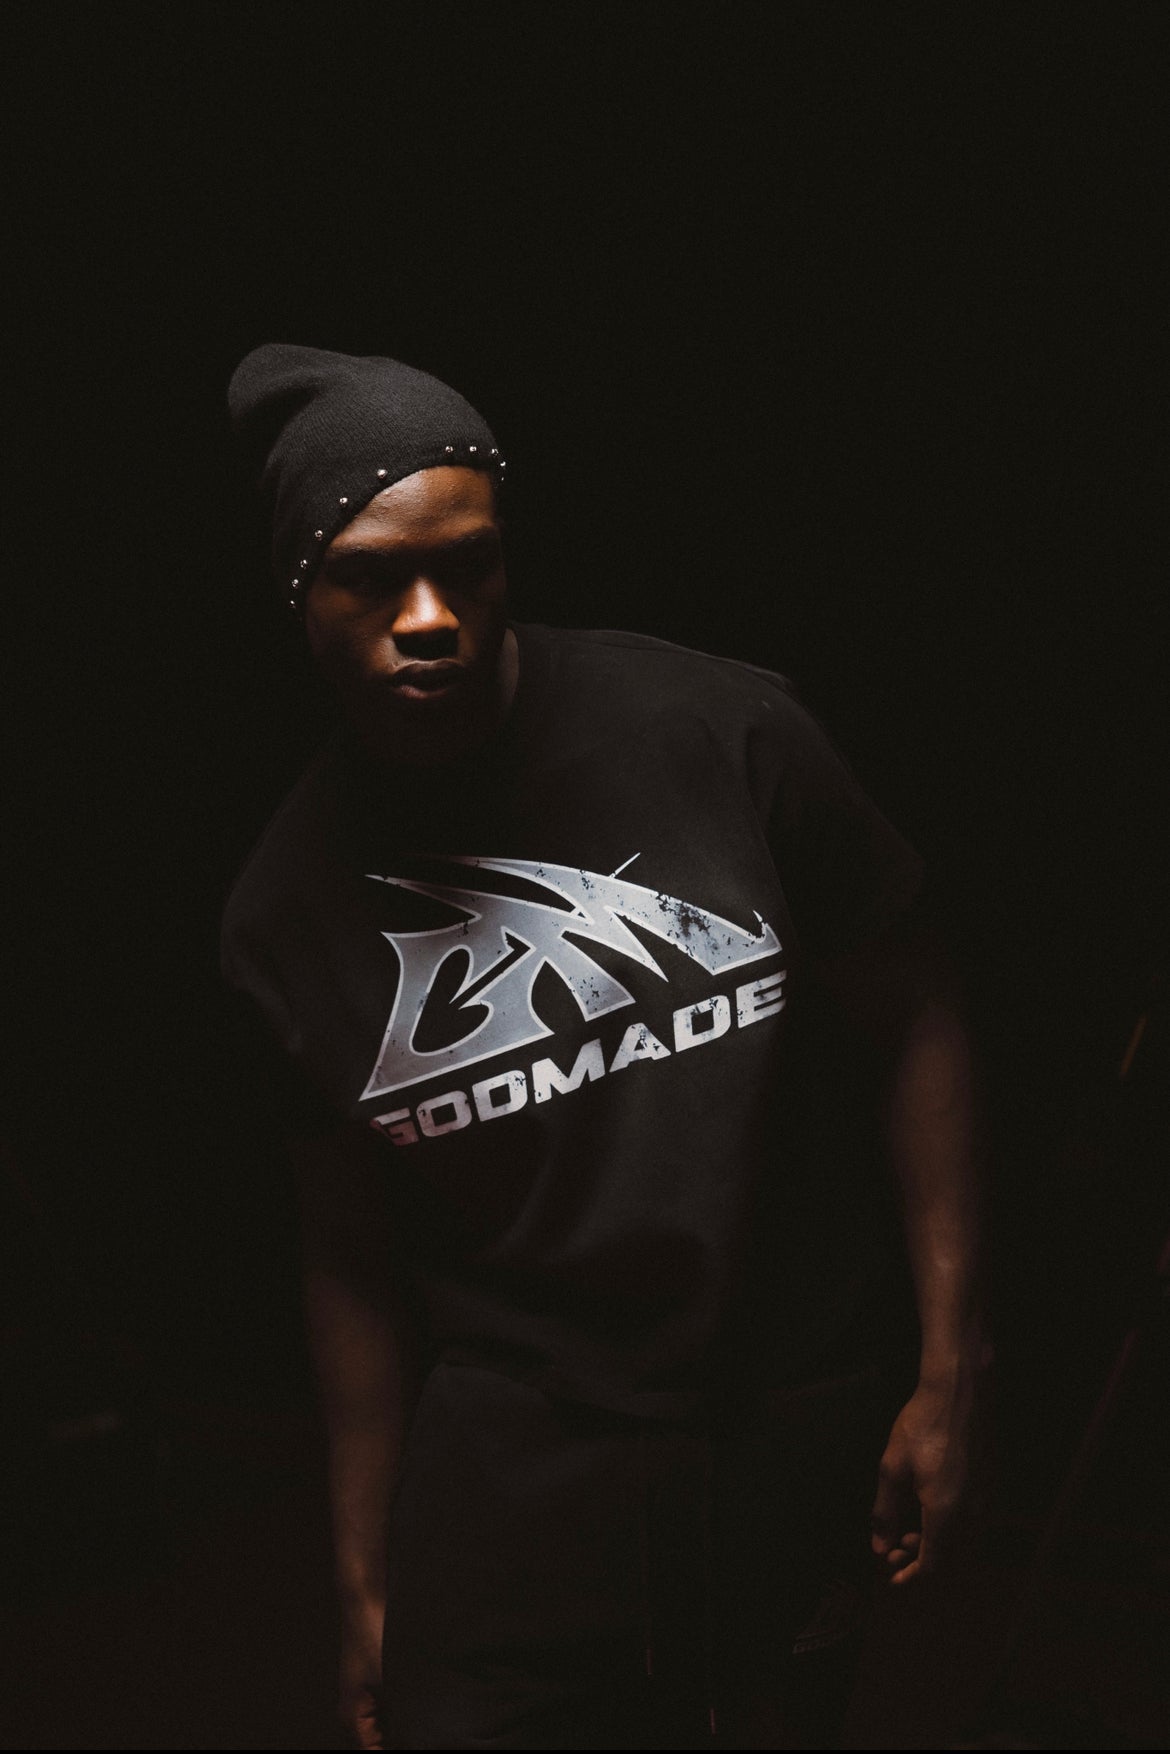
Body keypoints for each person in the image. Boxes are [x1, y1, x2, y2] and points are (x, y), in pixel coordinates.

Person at [220, 343, 990, 1751]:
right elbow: (348, 1262)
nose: (430, 617)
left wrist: (950, 1366)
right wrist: (365, 1582)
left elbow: (916, 1013)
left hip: (786, 1412)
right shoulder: (284, 912)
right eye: (371, 578)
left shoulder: (723, 730)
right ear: (296, 590)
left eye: (468, 564)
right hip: (521, 1463)